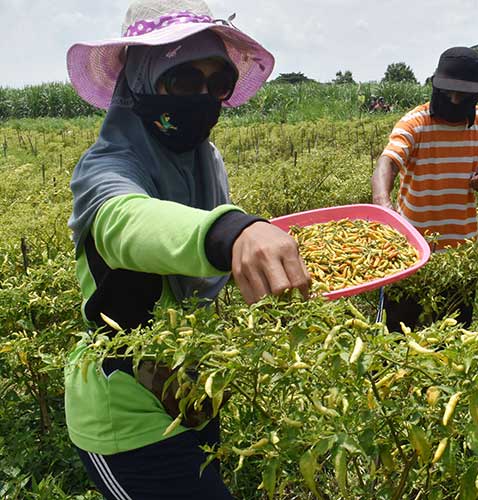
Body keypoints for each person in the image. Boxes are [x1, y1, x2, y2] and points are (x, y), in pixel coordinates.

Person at [64, 1, 310, 498]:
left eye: (215, 83)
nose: (202, 98)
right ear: (140, 81)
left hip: (192, 394)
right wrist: (230, 233)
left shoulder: (203, 157)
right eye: (181, 82)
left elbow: (204, 240)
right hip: (128, 424)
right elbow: (127, 221)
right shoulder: (104, 169)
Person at [372, 46, 478, 332]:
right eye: (447, 93)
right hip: (412, 251)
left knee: (454, 337)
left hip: (461, 253)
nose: (454, 100)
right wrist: (382, 203)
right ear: (435, 86)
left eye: (463, 95)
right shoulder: (415, 123)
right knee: (401, 334)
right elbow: (388, 162)